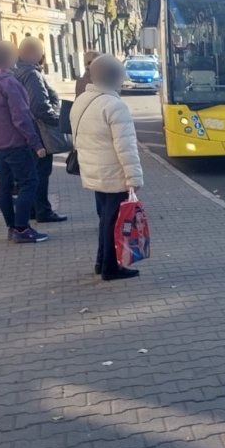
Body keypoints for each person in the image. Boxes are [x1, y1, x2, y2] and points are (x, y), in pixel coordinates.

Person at [70, 54, 143, 281]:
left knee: (106, 219)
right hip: (114, 173)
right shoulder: (114, 105)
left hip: (94, 171)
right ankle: (110, 268)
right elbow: (126, 147)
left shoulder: (82, 100)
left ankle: (102, 262)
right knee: (113, 222)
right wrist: (134, 178)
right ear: (116, 77)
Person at [0, 41, 48, 244]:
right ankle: (22, 227)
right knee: (29, 182)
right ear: (11, 57)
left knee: (4, 186)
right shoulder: (9, 83)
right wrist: (36, 144)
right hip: (14, 143)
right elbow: (22, 116)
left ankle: (12, 226)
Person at [15, 36, 69, 224]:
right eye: (41, 51)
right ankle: (43, 211)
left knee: (32, 173)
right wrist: (57, 121)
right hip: (39, 131)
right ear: (35, 53)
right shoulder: (31, 74)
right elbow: (39, 105)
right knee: (41, 172)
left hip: (26, 131)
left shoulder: (18, 71)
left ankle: (32, 209)